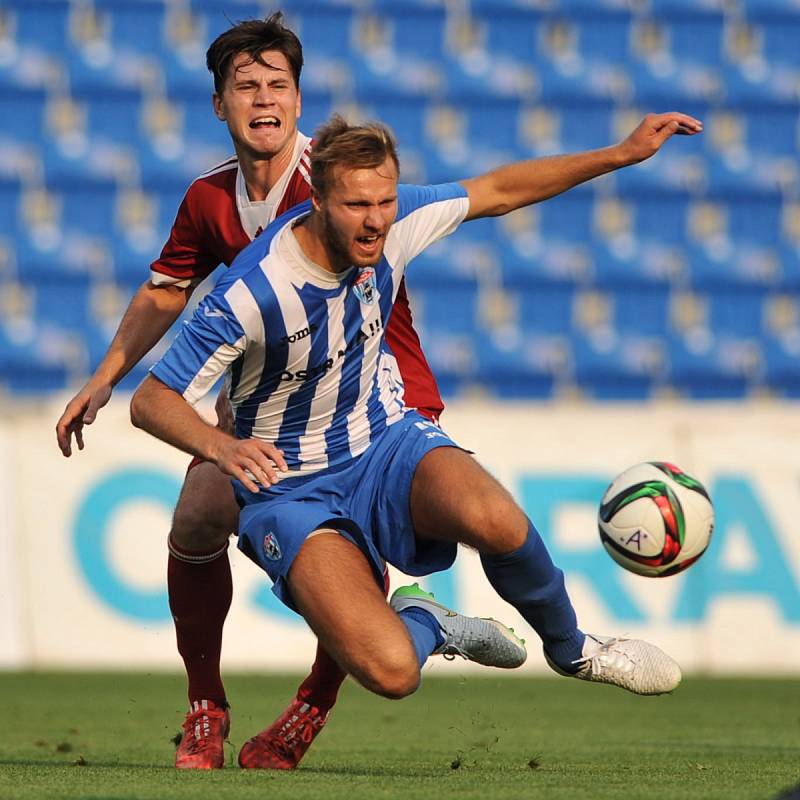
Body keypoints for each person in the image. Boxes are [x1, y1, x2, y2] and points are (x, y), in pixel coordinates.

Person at [129, 111, 703, 739]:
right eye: (356, 205)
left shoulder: (395, 223)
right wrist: (221, 446)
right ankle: (426, 621)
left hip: (386, 444)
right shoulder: (251, 293)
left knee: (497, 520)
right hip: (291, 489)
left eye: (385, 201)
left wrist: (618, 155)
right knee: (392, 672)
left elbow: (499, 189)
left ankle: (574, 649)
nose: (375, 219)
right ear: (316, 200)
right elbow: (153, 399)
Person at [54, 14, 446, 771]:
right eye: (246, 86)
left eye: (278, 85)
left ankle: (311, 707)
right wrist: (105, 378)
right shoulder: (209, 200)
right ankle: (206, 707)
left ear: (299, 101)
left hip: (376, 405)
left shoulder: (328, 184)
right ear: (218, 106)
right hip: (276, 416)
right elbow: (166, 293)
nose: (263, 100)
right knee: (199, 515)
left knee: (348, 570)